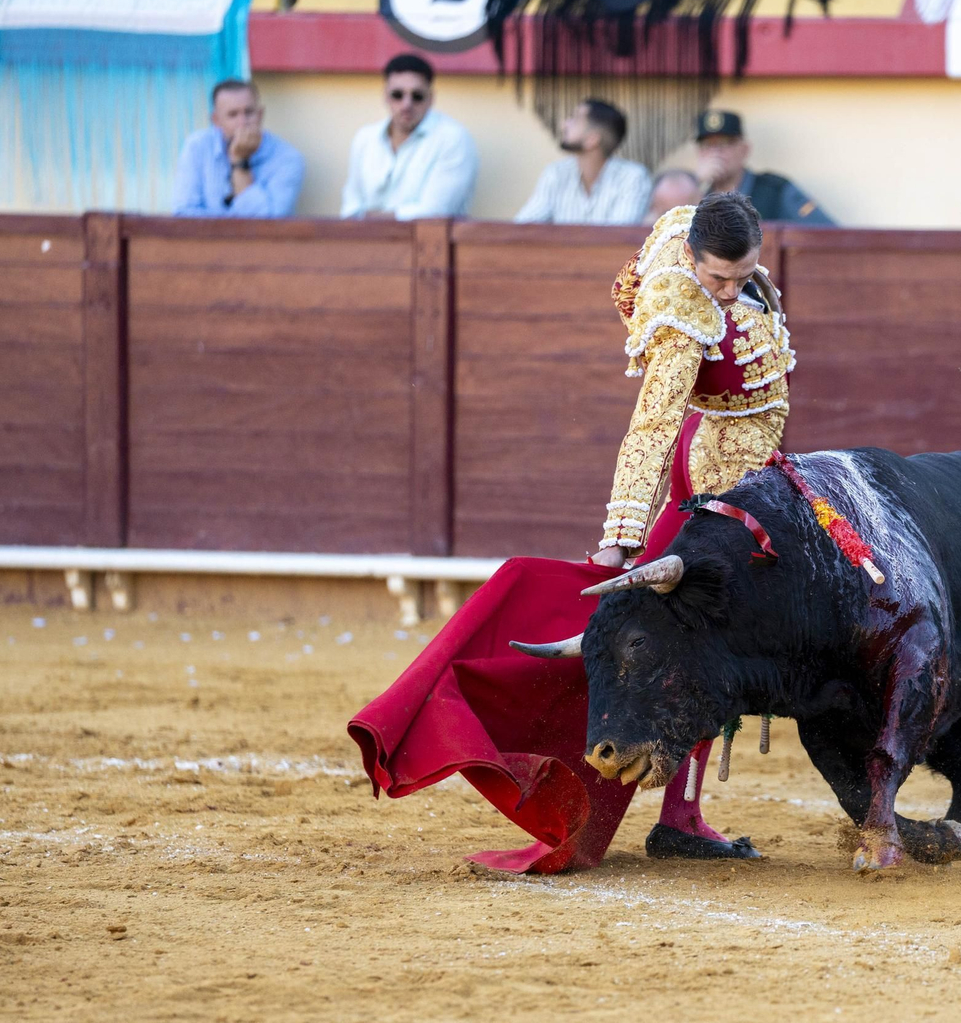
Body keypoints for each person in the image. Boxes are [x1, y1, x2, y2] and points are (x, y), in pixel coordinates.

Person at [350, 191, 795, 872]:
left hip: (738, 455)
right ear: (692, 260)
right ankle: (679, 815)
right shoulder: (683, 323)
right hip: (721, 470)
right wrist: (621, 537)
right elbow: (650, 432)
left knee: (707, 628)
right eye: (718, 279)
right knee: (707, 628)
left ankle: (682, 814)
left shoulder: (695, 227)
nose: (731, 293)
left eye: (743, 277)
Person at [341, 53, 478, 220]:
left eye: (417, 96)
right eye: (398, 95)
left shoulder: (453, 139)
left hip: (429, 244)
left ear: (431, 98)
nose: (407, 105)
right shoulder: (365, 138)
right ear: (385, 96)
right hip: (367, 242)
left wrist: (373, 218)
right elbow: (350, 207)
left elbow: (435, 213)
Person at [171, 79, 304, 218]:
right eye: (233, 115)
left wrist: (240, 161)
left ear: (260, 115)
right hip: (205, 240)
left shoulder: (287, 158)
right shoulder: (197, 147)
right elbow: (183, 213)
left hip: (259, 241)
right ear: (216, 120)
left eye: (249, 112)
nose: (243, 122)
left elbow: (269, 224)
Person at [515, 99, 651, 224]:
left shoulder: (633, 177)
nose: (564, 125)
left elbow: (620, 237)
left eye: (574, 119)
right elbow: (524, 226)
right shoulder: (556, 173)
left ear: (592, 139)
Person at [694, 109, 835, 225]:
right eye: (708, 145)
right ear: (699, 152)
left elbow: (826, 233)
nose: (716, 152)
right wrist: (694, 184)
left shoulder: (775, 190)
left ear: (744, 149)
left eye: (725, 143)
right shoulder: (694, 195)